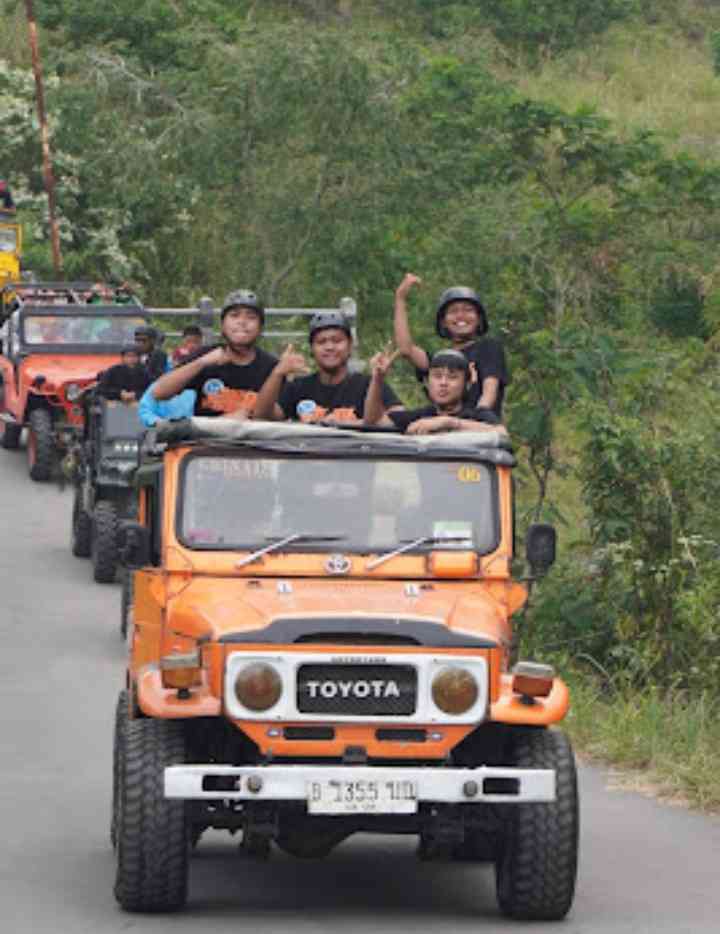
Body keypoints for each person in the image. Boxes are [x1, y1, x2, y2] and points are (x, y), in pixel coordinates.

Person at [254, 311, 402, 424]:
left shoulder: (369, 385)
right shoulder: (298, 387)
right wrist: (278, 372)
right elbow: (262, 416)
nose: (329, 347)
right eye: (321, 342)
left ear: (350, 346)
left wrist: (353, 424)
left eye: (337, 341)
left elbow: (399, 418)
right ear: (312, 349)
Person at [393, 273, 509, 417]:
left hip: (478, 430)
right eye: (453, 311)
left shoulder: (488, 347)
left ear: (479, 319)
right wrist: (400, 298)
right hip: (442, 431)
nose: (461, 316)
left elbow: (489, 394)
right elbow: (406, 349)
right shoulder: (440, 358)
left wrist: (475, 420)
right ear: (443, 322)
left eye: (468, 310)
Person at [151, 290, 277, 417]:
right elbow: (158, 393)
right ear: (222, 325)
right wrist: (202, 363)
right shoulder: (205, 356)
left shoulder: (272, 366)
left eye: (251, 317)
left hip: (256, 436)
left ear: (260, 327)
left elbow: (279, 415)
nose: (242, 322)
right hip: (206, 436)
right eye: (234, 315)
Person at [364, 347, 505, 435]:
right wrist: (377, 380)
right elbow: (374, 421)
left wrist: (448, 423)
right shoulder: (421, 416)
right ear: (427, 382)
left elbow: (501, 433)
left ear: (467, 384)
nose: (443, 383)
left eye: (452, 377)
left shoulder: (477, 414)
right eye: (437, 376)